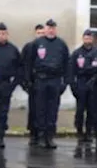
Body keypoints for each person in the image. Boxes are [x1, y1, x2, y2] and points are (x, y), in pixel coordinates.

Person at [25, 20, 72, 149]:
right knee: (40, 109)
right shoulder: (37, 43)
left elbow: (67, 64)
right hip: (40, 80)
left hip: (55, 80)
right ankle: (40, 136)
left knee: (52, 109)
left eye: (53, 28)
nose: (51, 30)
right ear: (45, 29)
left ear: (55, 29)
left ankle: (49, 136)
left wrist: (65, 82)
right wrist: (29, 80)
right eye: (49, 28)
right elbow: (29, 62)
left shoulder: (61, 44)